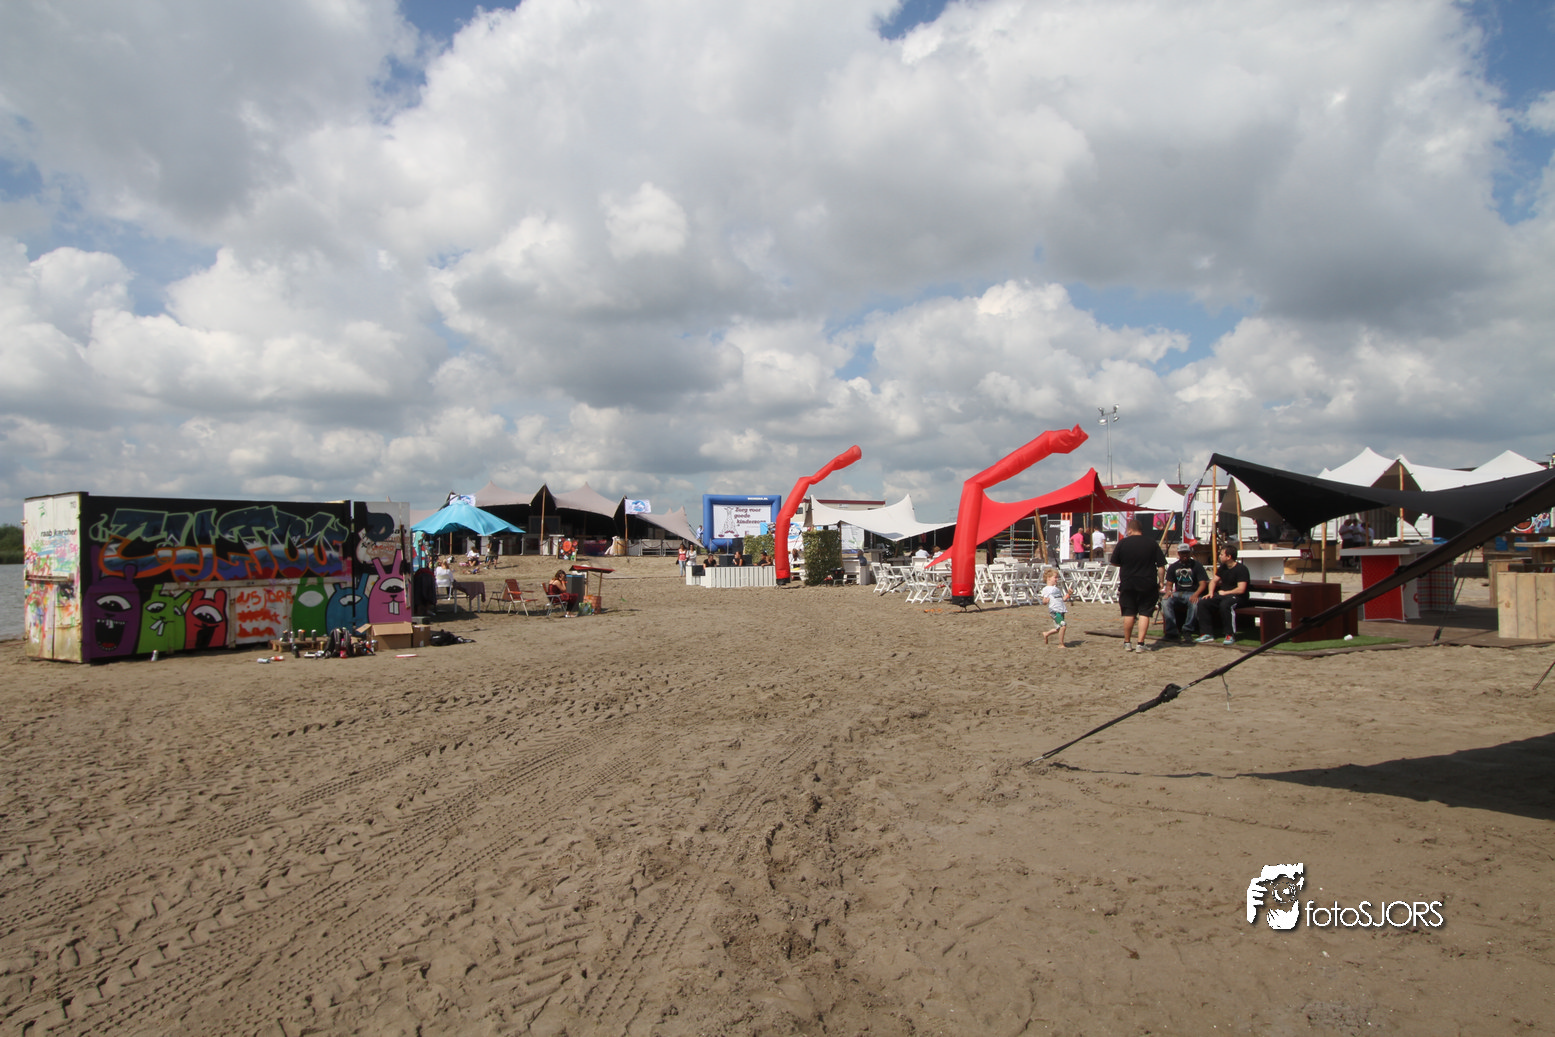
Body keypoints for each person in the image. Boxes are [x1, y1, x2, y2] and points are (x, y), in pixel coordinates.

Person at [1110, 516, 1167, 652]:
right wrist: (1161, 581)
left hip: (1128, 582)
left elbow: (1114, 562)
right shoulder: (1152, 543)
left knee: (1129, 613)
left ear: (1130, 530)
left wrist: (1126, 563)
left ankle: (1127, 642)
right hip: (1147, 582)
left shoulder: (1123, 543)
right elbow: (1161, 566)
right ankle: (1140, 643)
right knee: (1145, 613)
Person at [1195, 544, 1251, 645]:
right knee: (1203, 603)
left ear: (1229, 557)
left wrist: (1226, 592)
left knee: (1225, 605)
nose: (1219, 556)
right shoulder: (1223, 568)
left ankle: (1230, 634)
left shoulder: (1241, 569)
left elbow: (1241, 589)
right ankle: (1207, 633)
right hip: (1223, 595)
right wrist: (1210, 593)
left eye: (1221, 554)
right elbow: (1213, 581)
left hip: (1238, 597)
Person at [1160, 543, 1208, 642]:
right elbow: (1169, 584)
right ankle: (1171, 632)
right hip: (1178, 593)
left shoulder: (1197, 565)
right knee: (1165, 601)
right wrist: (1168, 592)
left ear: (1190, 553)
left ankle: (1187, 630)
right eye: (1182, 553)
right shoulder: (1173, 567)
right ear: (1179, 554)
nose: (1184, 555)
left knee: (1194, 603)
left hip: (1192, 592)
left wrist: (1196, 594)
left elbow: (1203, 583)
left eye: (1186, 553)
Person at [1039, 569, 1071, 646]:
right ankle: (1061, 644)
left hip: (1061, 610)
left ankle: (1046, 634)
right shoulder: (1046, 589)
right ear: (1049, 578)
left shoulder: (1056, 589)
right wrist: (1045, 601)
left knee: (1058, 628)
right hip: (1055, 611)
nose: (1057, 579)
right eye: (1055, 577)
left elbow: (1062, 599)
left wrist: (1068, 594)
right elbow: (1044, 601)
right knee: (1063, 626)